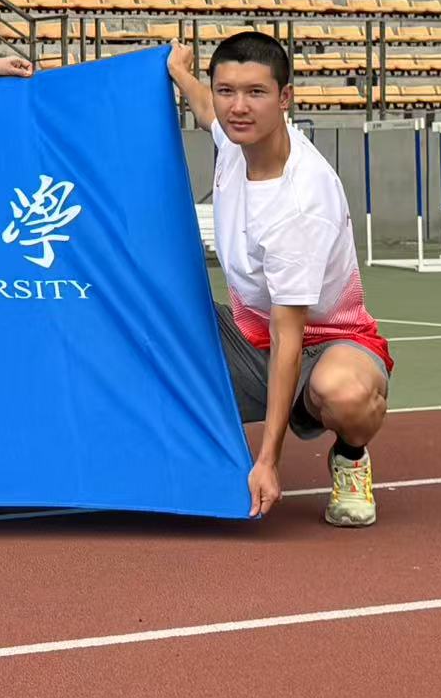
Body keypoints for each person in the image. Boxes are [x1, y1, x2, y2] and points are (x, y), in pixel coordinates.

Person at [168, 33, 391, 526]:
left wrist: (267, 461)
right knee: (147, 318)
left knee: (345, 394)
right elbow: (205, 108)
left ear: (285, 97)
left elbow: (288, 336)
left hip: (326, 343)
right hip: (249, 336)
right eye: (227, 91)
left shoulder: (300, 204)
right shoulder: (236, 138)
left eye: (256, 92)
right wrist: (181, 72)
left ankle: (351, 456)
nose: (238, 107)